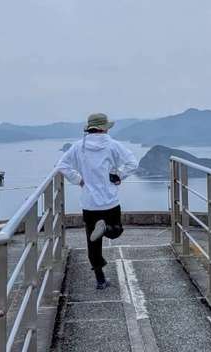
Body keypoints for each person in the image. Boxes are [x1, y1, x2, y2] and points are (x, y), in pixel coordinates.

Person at [57, 113, 137, 289]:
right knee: (116, 230)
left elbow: (62, 165)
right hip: (109, 201)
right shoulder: (113, 145)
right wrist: (119, 175)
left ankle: (100, 280)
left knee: (92, 243)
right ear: (104, 128)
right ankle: (106, 228)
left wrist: (79, 180)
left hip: (89, 203)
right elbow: (132, 163)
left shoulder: (78, 146)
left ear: (90, 128)